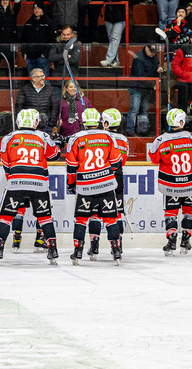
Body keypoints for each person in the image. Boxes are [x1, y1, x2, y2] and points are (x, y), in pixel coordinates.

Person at [0, 109, 61, 265]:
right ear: (36, 122)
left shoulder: (8, 137)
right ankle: (53, 249)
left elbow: (5, 162)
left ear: (18, 122)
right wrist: (58, 143)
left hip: (16, 180)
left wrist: (13, 177)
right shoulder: (43, 136)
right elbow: (54, 156)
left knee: (5, 217)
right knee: (45, 217)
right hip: (39, 182)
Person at [147, 108, 192, 255]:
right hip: (190, 183)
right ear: (182, 122)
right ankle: (185, 239)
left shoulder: (161, 139)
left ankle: (171, 240)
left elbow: (152, 158)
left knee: (171, 212)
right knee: (189, 211)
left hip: (170, 185)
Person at [65, 108, 124, 264]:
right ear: (98, 121)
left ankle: (78, 251)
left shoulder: (75, 138)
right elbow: (117, 163)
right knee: (111, 219)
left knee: (81, 219)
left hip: (85, 186)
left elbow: (71, 167)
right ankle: (116, 250)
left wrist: (71, 184)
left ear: (82, 122)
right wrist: (105, 174)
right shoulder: (108, 136)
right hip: (106, 185)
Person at [102, 109, 130, 244]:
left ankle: (94, 245)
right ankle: (118, 244)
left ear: (106, 123)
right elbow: (123, 160)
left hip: (103, 176)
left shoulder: (102, 137)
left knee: (96, 212)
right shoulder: (124, 139)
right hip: (118, 176)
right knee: (118, 212)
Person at [126, 44, 162, 136]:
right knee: (134, 108)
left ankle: (142, 130)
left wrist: (158, 67)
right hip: (136, 88)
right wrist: (152, 85)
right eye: (151, 52)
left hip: (146, 88)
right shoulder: (139, 58)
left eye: (154, 53)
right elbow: (140, 77)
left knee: (144, 109)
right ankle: (130, 130)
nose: (152, 54)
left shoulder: (153, 55)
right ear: (146, 48)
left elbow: (156, 63)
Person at [15, 69, 60, 134]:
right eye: (40, 76)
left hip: (45, 126)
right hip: (28, 125)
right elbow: (19, 106)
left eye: (43, 76)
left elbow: (54, 107)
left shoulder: (50, 89)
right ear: (33, 79)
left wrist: (51, 123)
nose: (42, 78)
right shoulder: (24, 89)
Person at [171, 30, 192, 109]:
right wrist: (182, 74)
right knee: (182, 106)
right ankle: (182, 121)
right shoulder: (183, 48)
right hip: (184, 82)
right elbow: (175, 64)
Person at [100, 0, 128, 67]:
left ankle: (108, 59)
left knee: (115, 39)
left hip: (120, 18)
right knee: (111, 39)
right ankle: (115, 61)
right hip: (109, 17)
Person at [21, 4, 53, 75]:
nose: (36, 10)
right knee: (32, 79)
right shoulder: (28, 23)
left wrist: (45, 54)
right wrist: (24, 53)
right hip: (30, 56)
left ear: (43, 10)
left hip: (42, 57)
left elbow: (52, 40)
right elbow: (23, 39)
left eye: (39, 8)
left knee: (44, 79)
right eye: (35, 8)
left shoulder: (48, 23)